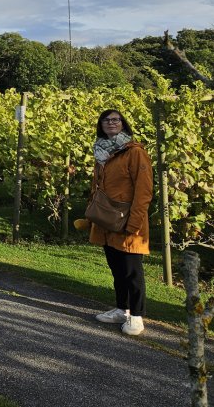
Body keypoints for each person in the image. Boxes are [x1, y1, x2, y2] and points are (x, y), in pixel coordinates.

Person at [89, 109, 153, 336]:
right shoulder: (102, 153)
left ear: (123, 124)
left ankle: (136, 317)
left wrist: (134, 224)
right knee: (116, 267)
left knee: (131, 271)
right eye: (106, 120)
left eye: (116, 119)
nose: (111, 123)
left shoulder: (134, 153)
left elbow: (144, 191)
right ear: (101, 125)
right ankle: (121, 309)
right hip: (107, 219)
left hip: (127, 220)